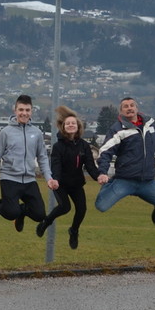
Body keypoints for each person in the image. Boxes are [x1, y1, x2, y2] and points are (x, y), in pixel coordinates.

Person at [0, 94, 57, 233]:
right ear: (15, 110)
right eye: (21, 110)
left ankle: (21, 213)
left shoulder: (36, 133)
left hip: (29, 179)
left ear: (31, 111)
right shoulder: (5, 133)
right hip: (10, 178)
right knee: (11, 212)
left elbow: (42, 157)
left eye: (27, 110)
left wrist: (49, 178)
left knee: (39, 215)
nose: (24, 113)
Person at [95, 97, 155, 221]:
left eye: (132, 105)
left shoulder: (149, 124)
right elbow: (105, 152)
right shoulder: (117, 129)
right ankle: (110, 185)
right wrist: (103, 173)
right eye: (125, 106)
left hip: (147, 181)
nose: (129, 108)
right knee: (101, 206)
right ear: (121, 111)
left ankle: (141, 192)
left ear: (137, 108)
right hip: (125, 180)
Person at [34, 106, 99, 249]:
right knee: (65, 207)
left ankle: (74, 230)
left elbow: (90, 166)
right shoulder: (58, 146)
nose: (70, 125)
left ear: (78, 127)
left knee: (82, 209)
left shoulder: (84, 146)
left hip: (76, 184)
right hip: (61, 183)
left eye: (73, 123)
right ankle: (46, 222)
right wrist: (55, 179)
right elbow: (56, 165)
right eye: (68, 123)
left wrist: (99, 176)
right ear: (63, 126)